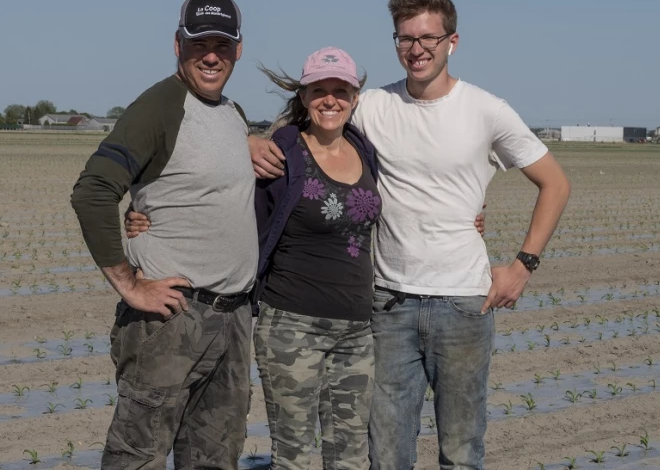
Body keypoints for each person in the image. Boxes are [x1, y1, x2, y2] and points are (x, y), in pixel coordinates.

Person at [250, 0, 572, 470]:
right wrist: (249, 140)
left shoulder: (488, 110)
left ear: (452, 42)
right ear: (395, 42)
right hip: (387, 303)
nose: (416, 49)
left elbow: (555, 184)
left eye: (427, 38)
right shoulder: (374, 106)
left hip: (464, 303)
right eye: (405, 39)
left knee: (462, 451)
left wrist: (522, 266)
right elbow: (314, 119)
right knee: (385, 454)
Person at [125, 46, 487, 470]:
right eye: (319, 90)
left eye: (340, 90)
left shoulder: (365, 148)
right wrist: (149, 224)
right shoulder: (282, 151)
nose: (329, 99)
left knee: (350, 457)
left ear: (355, 97)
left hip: (356, 330)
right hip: (292, 327)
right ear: (303, 95)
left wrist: (468, 217)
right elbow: (227, 204)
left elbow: (420, 187)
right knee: (294, 457)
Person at [70, 0, 258, 470]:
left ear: (239, 48)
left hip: (232, 317)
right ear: (178, 45)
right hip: (174, 318)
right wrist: (130, 284)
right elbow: (93, 191)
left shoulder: (232, 113)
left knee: (215, 458)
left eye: (222, 43)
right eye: (199, 44)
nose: (211, 55)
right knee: (140, 456)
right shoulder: (159, 106)